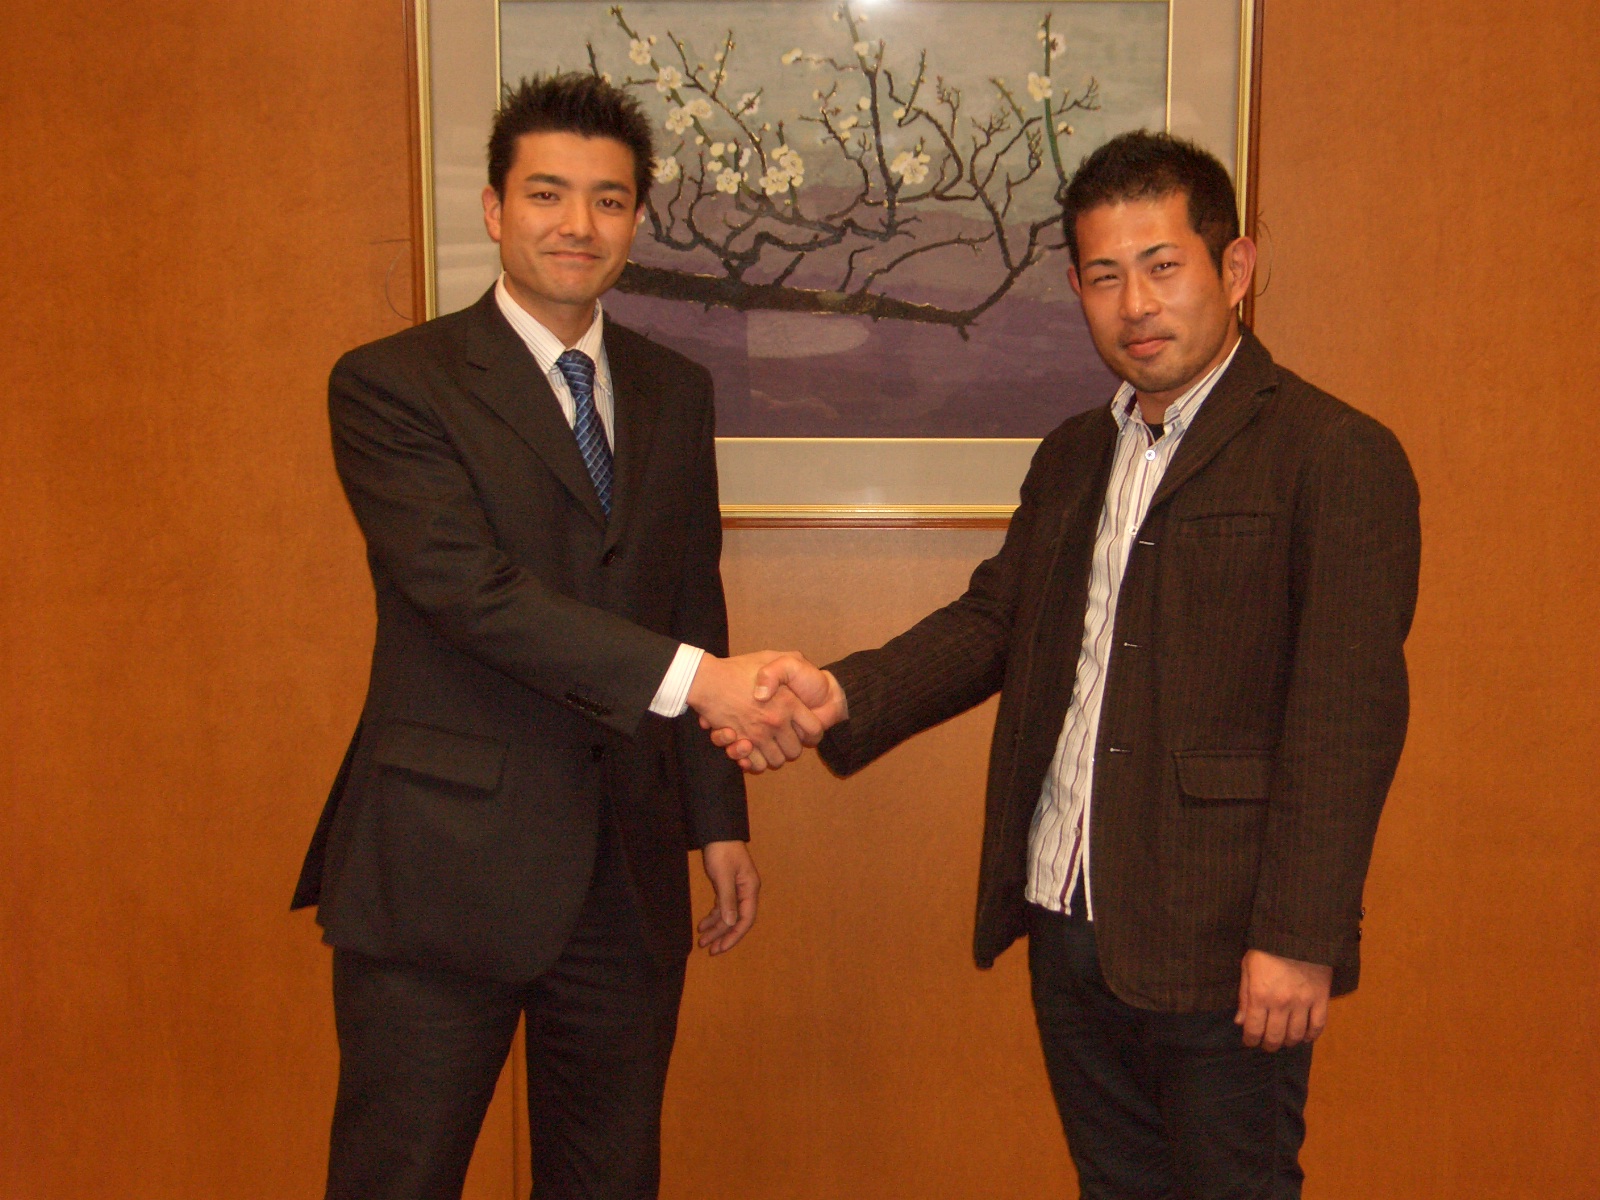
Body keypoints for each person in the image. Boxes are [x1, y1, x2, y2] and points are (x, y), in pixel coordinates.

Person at [720, 131, 1421, 1198]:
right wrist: (841, 692)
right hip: (1066, 918)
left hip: (1224, 939)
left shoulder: (1331, 453)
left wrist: (1299, 936)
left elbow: (1347, 717)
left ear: (1234, 268)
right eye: (1104, 275)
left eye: (1162, 265)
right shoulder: (1073, 454)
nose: (1135, 304)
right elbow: (997, 622)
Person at [291, 73, 819, 1200]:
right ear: (494, 209)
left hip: (626, 865)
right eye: (547, 194)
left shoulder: (675, 390)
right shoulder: (393, 384)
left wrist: (715, 819)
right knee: (398, 1175)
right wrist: (702, 682)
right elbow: (469, 592)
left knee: (609, 1177)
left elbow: (690, 598)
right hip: (444, 863)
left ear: (637, 219)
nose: (578, 224)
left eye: (608, 200)